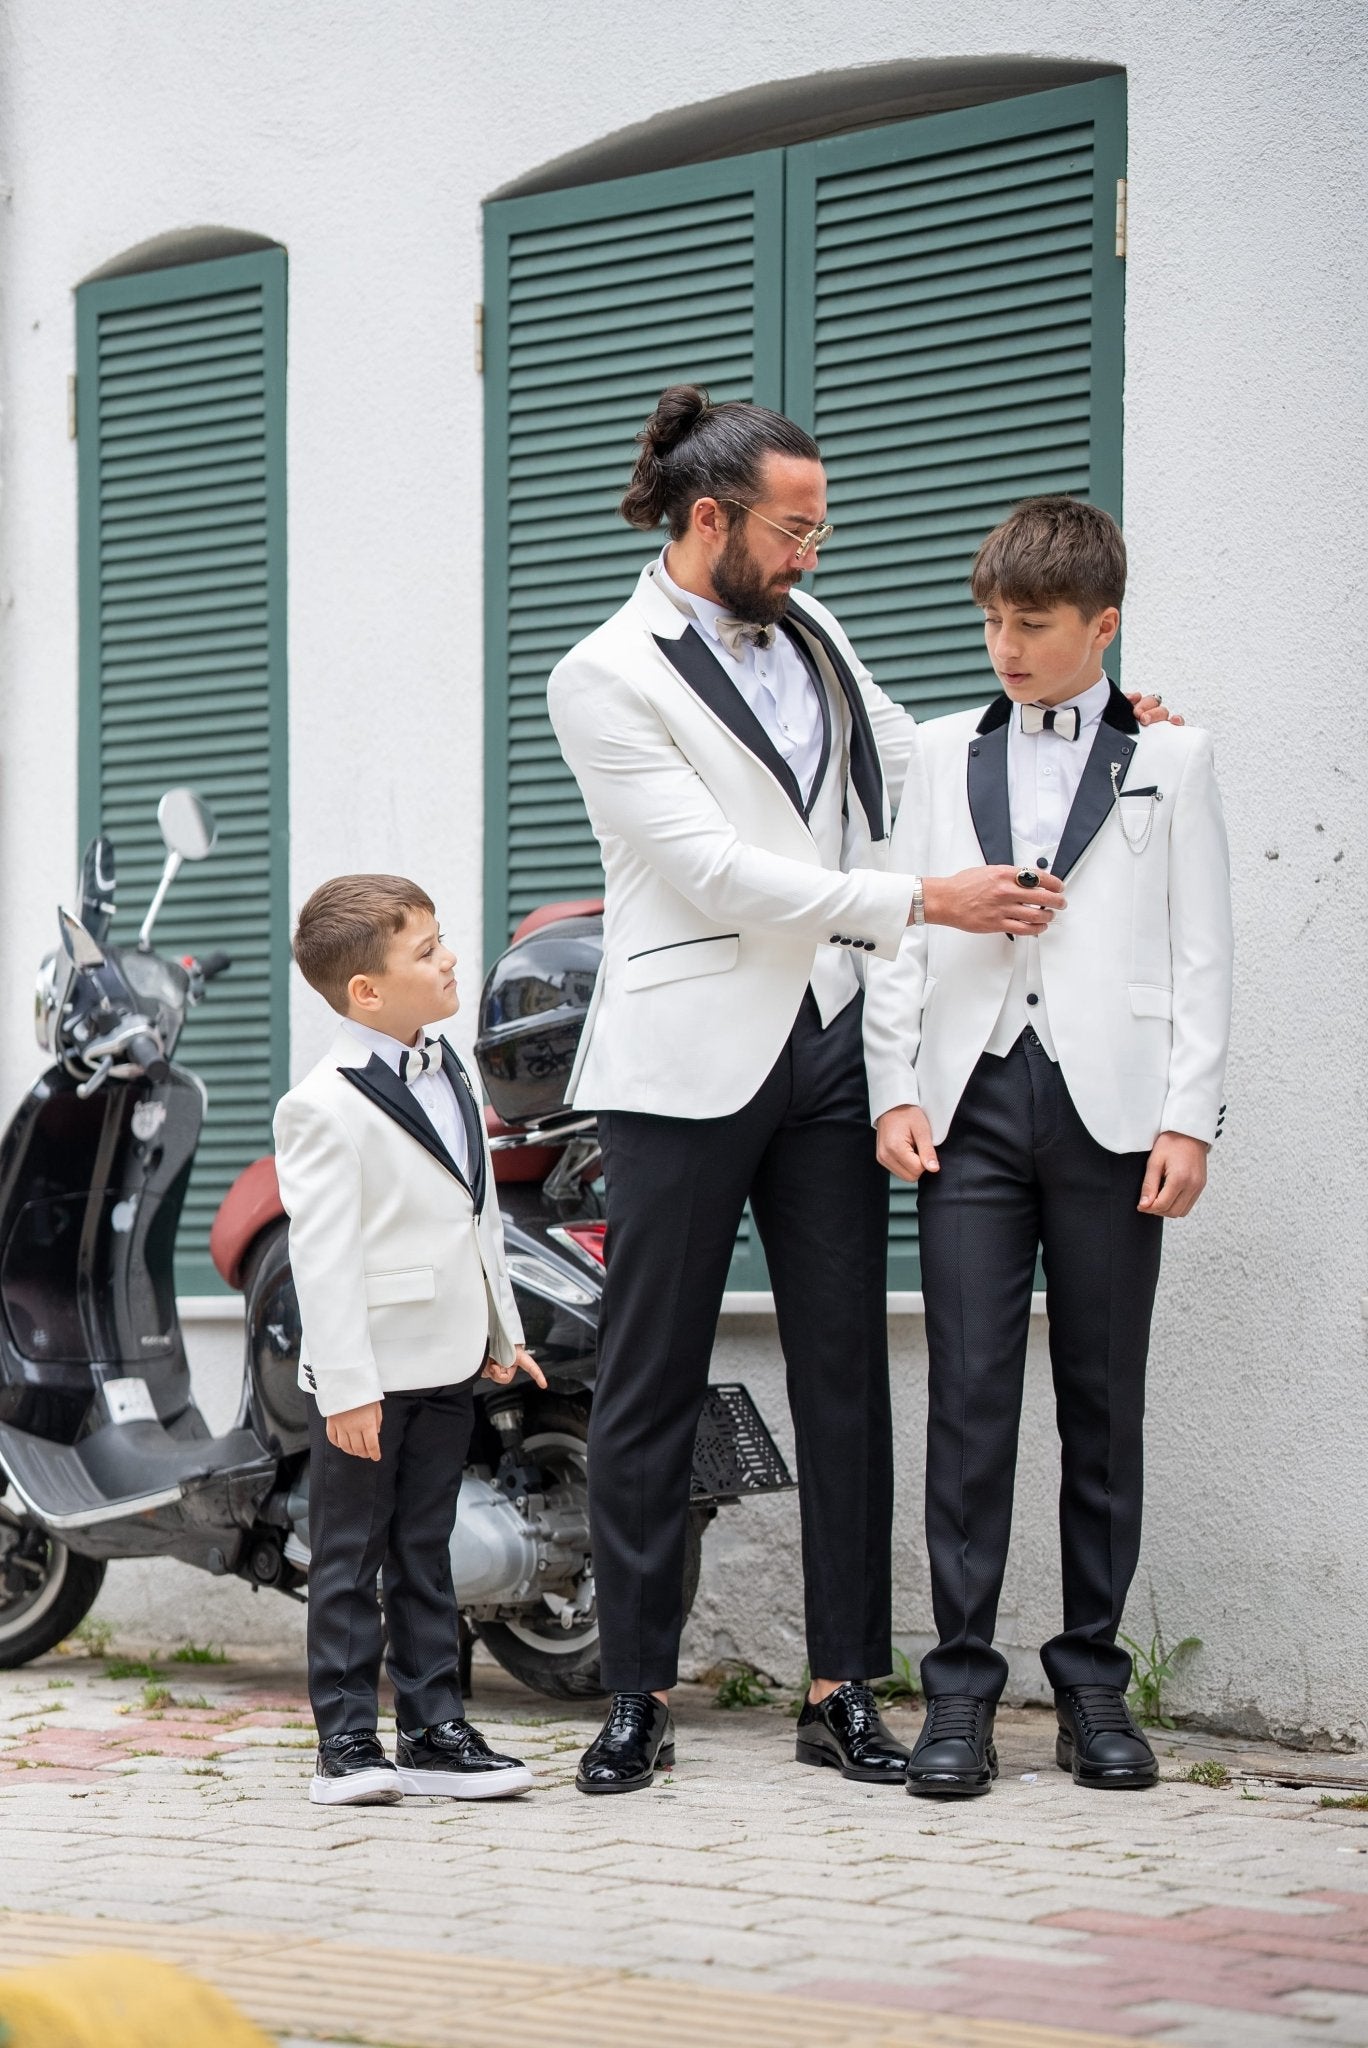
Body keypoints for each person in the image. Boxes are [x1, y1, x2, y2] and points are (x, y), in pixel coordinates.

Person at [546, 389, 1170, 1795]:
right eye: (797, 527)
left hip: (827, 1046)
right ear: (713, 521)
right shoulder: (603, 673)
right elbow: (712, 868)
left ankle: (842, 1688)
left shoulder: (815, 630)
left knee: (845, 1380)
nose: (817, 554)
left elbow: (921, 749)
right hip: (684, 1060)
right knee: (647, 1384)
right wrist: (915, 901)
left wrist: (1110, 720)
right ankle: (636, 1690)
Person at [866, 497, 1233, 1797]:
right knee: (966, 1402)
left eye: (1032, 625)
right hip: (969, 1110)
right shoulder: (943, 748)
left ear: (1103, 625)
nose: (1005, 646)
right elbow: (903, 935)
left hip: (1117, 1114)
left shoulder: (1172, 761)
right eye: (992, 622)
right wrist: (891, 1091)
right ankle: (958, 1691)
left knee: (1102, 1402)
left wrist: (1191, 1114)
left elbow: (1201, 948)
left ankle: (1091, 1683)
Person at [276, 872, 544, 1806]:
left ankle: (435, 1731)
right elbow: (324, 1256)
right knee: (349, 1557)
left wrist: (500, 1333)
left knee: (424, 1550)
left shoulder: (450, 1067)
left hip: (446, 1356)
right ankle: (346, 1743)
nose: (451, 958)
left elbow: (476, 1219)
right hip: (368, 1372)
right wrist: (347, 1386)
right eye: (427, 951)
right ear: (366, 990)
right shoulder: (322, 1104)